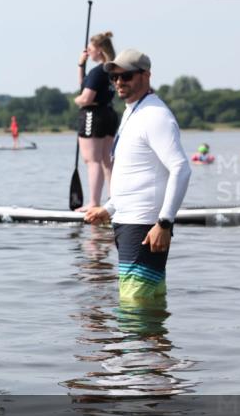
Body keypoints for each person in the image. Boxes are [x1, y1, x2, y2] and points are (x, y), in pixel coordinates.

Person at [84, 49, 191, 301]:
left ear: (146, 75)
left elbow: (181, 168)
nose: (119, 82)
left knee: (135, 308)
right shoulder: (133, 111)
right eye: (114, 78)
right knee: (147, 304)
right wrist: (109, 208)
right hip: (129, 221)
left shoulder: (155, 116)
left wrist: (164, 223)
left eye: (127, 76)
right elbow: (136, 173)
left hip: (145, 226)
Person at [74, 31, 119, 210]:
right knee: (107, 161)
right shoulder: (112, 69)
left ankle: (93, 203)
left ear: (99, 50)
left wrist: (76, 101)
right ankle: (113, 199)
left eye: (90, 49)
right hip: (109, 114)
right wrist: (80, 64)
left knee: (92, 160)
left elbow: (85, 97)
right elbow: (85, 84)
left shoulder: (97, 71)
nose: (88, 52)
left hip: (93, 115)